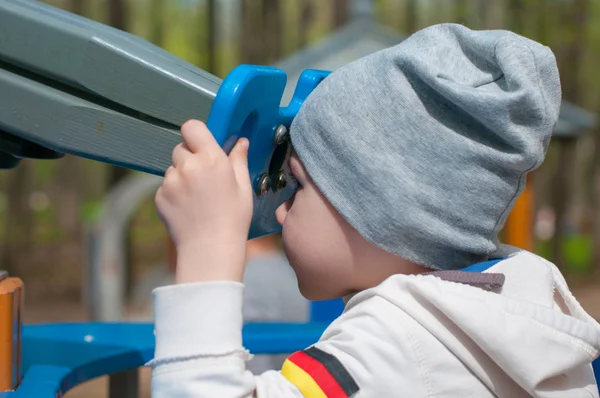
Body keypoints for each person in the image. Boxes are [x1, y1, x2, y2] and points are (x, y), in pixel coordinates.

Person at [149, 24, 600, 397]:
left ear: (382, 216)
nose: (281, 212)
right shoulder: (512, 316)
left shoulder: (391, 346)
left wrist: (207, 248)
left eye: (299, 185)